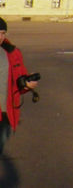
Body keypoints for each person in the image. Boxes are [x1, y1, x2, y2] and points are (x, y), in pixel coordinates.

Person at [0, 18, 35, 155]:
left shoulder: (12, 53)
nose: (1, 37)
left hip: (6, 113)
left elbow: (19, 82)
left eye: (3, 33)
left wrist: (27, 85)